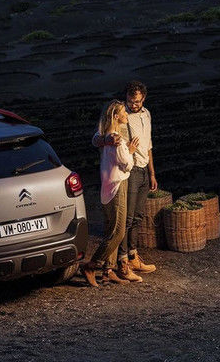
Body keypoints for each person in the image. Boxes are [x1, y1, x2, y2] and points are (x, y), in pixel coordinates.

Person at [93, 80, 158, 280]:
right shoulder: (119, 116)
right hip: (129, 171)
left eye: (137, 101)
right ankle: (121, 262)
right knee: (125, 220)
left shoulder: (146, 114)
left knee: (137, 216)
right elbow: (96, 138)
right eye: (130, 101)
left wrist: (152, 173)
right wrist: (106, 140)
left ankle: (132, 255)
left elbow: (148, 145)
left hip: (143, 169)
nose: (133, 105)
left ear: (143, 98)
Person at [82, 100, 139, 287]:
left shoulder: (107, 135)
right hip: (117, 185)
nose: (126, 114)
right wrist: (130, 150)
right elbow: (127, 164)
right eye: (123, 112)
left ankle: (108, 271)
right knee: (118, 231)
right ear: (116, 116)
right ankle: (92, 265)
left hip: (108, 185)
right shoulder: (116, 139)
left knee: (110, 229)